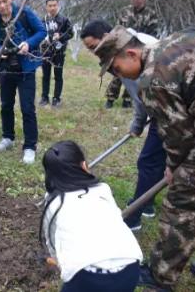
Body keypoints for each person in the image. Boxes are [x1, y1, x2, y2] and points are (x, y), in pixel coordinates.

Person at [92, 24, 195, 291]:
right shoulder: (175, 39)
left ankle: (160, 276)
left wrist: (175, 167)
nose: (118, 76)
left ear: (131, 53)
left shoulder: (153, 79)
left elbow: (179, 137)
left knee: (183, 203)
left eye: (116, 70)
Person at [80, 20, 166, 232]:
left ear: (108, 37)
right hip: (166, 105)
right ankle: (146, 202)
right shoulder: (131, 45)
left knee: (149, 160)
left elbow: (141, 95)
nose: (94, 53)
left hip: (170, 107)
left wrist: (139, 123)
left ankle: (134, 215)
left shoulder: (128, 53)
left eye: (93, 47)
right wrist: (138, 125)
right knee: (157, 158)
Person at [39, 141, 142, 292]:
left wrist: (60, 261)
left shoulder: (53, 201)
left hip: (86, 276)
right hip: (130, 266)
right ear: (84, 166)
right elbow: (116, 219)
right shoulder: (102, 189)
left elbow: (51, 239)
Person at [0, 0, 46, 163]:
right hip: (6, 68)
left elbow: (42, 31)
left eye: (5, 1)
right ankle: (8, 137)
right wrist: (0, 49)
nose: (2, 6)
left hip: (26, 68)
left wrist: (28, 43)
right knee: (6, 104)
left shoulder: (24, 13)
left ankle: (30, 146)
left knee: (27, 108)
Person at [104, 0, 160, 109]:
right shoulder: (124, 12)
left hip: (140, 49)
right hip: (124, 47)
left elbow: (153, 33)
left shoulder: (151, 14)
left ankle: (127, 99)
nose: (135, 0)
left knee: (135, 74)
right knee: (119, 73)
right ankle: (110, 98)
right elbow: (117, 29)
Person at [39, 0, 73, 108]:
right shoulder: (43, 20)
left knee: (58, 75)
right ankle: (44, 97)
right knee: (45, 75)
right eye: (50, 6)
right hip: (46, 52)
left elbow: (71, 33)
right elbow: (38, 33)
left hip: (59, 52)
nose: (52, 8)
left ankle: (56, 98)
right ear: (46, 7)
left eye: (54, 5)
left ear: (58, 6)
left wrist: (61, 36)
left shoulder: (64, 19)